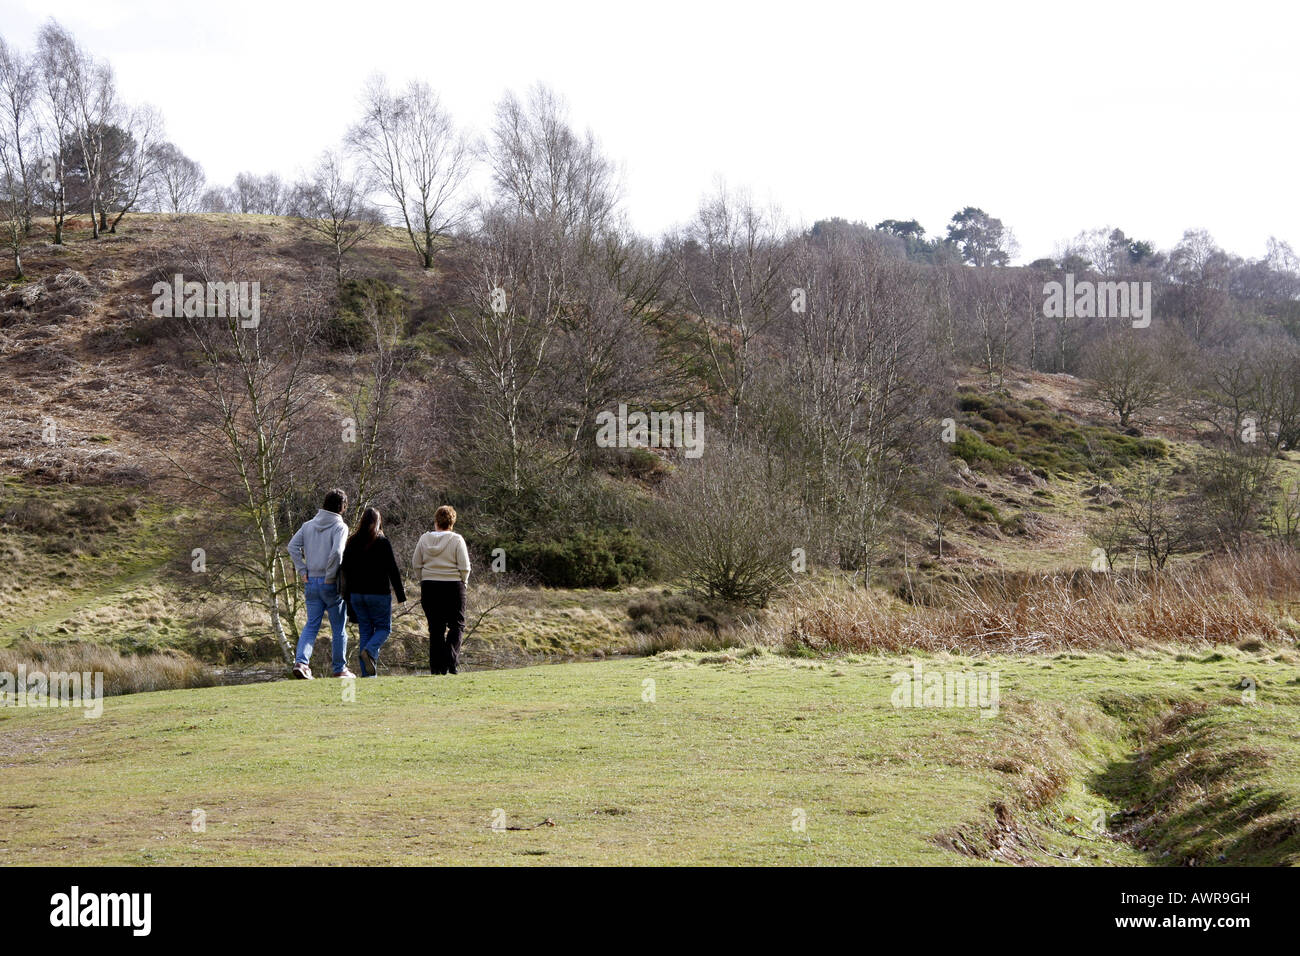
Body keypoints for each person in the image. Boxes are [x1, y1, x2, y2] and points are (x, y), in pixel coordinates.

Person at [287, 488, 354, 679]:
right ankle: (340, 669)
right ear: (342, 507)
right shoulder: (340, 527)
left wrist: (302, 570)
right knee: (338, 628)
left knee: (311, 625)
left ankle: (301, 663)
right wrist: (331, 576)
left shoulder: (308, 525)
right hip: (330, 582)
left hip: (311, 581)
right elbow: (337, 553)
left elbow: (292, 546)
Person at [340, 507, 406, 678]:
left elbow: (344, 570)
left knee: (366, 632)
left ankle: (368, 675)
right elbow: (393, 569)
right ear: (378, 522)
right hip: (378, 594)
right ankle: (369, 651)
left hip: (357, 595)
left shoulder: (352, 541)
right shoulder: (382, 542)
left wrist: (345, 596)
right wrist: (400, 595)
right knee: (384, 628)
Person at [412, 505, 470, 675]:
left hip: (430, 586)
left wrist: (423, 579)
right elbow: (465, 566)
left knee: (435, 629)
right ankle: (451, 662)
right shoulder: (457, 540)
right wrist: (463, 582)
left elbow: (416, 563)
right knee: (457, 625)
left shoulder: (424, 539)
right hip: (453, 586)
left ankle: (437, 667)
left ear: (436, 520)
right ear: (452, 522)